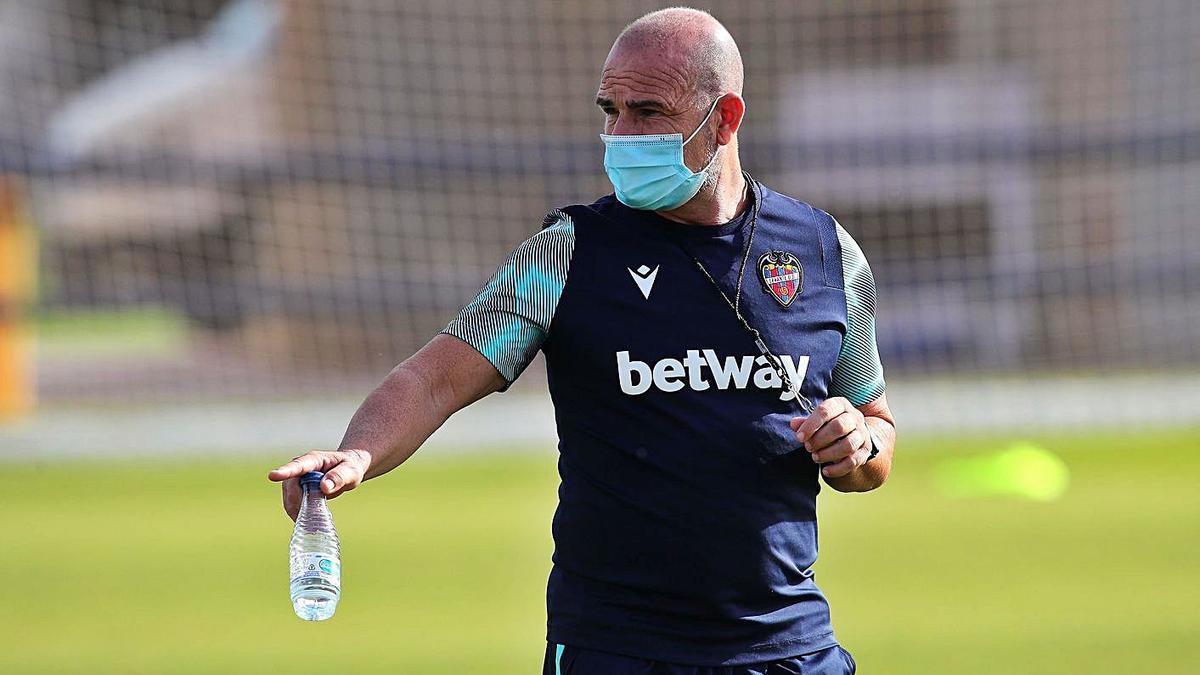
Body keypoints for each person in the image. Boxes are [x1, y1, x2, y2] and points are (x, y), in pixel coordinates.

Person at [269, 7, 895, 674]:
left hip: (790, 648)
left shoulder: (827, 251)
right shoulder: (566, 253)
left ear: (726, 118)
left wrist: (857, 444)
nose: (621, 134)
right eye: (611, 109)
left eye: (648, 111)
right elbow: (433, 378)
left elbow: (876, 430)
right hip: (618, 649)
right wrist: (358, 451)